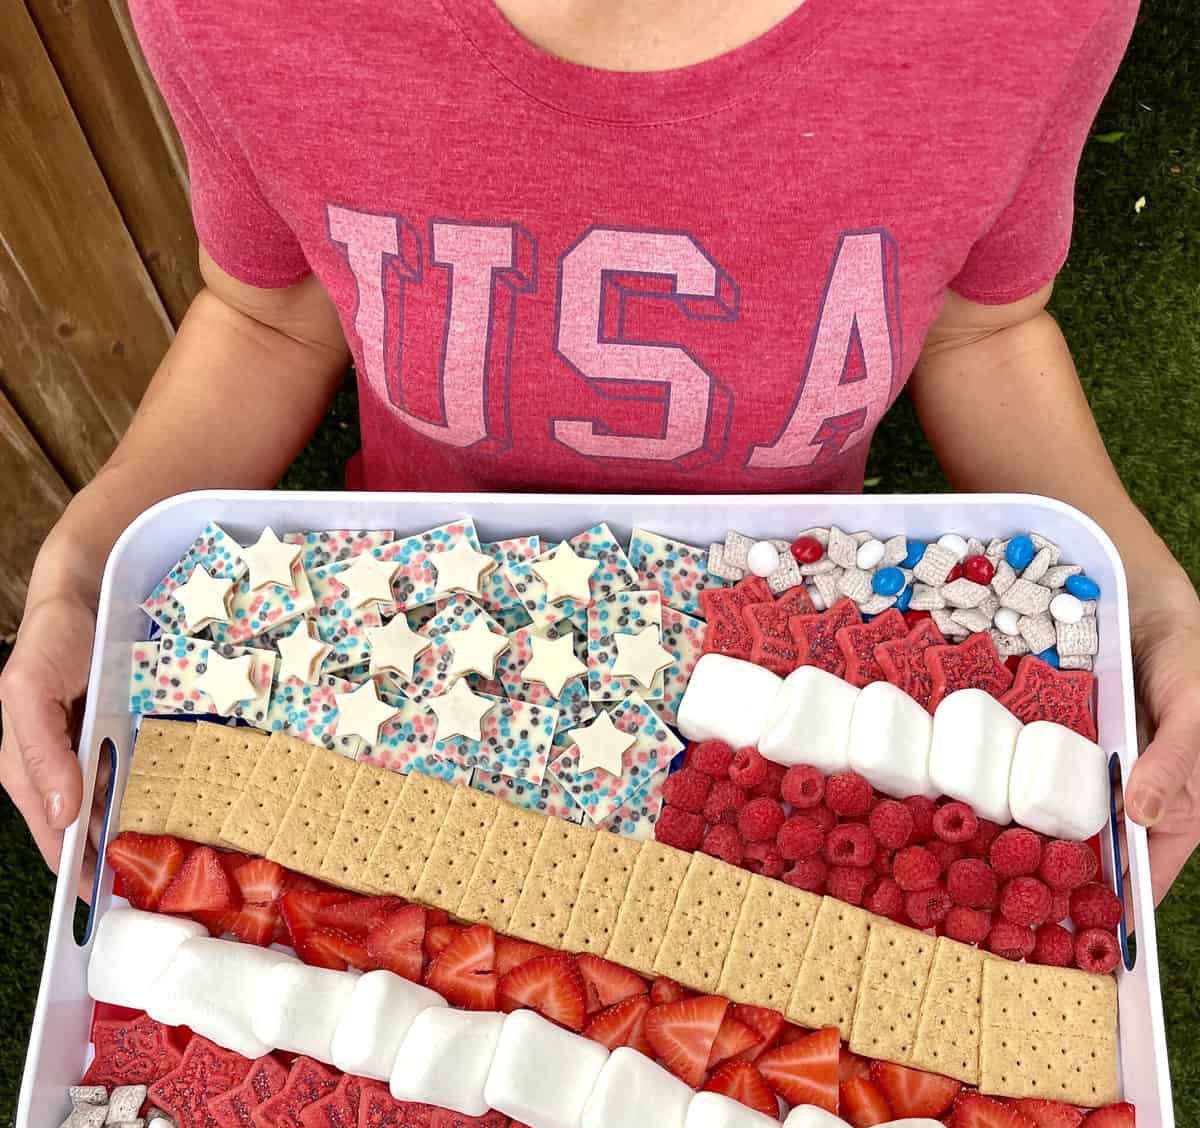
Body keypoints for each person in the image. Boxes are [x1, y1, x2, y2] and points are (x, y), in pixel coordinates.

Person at [2, 0, 1197, 903]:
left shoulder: (1037, 17)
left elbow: (982, 329)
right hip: (418, 635)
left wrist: (1149, 616)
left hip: (775, 623)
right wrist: (83, 572)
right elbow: (268, 313)